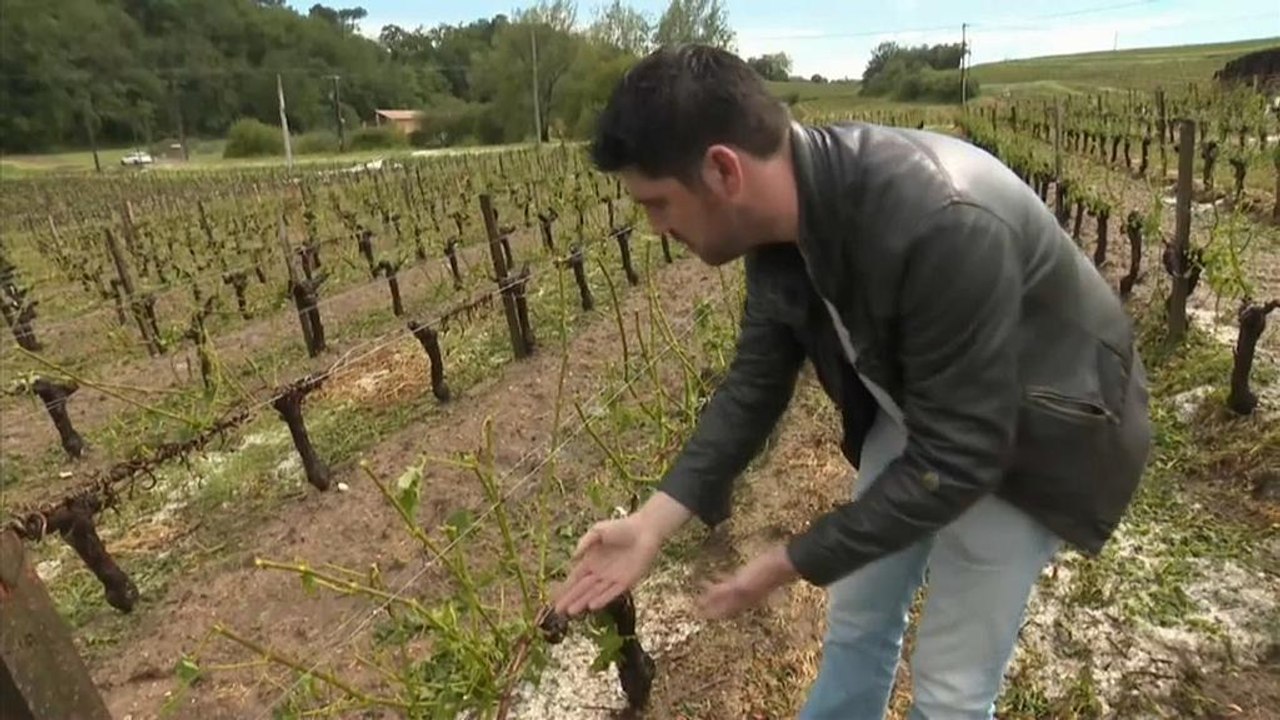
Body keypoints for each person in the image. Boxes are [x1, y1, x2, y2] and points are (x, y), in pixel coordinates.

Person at [551, 44, 1152, 719]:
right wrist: (651, 525)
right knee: (859, 617)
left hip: (1034, 433)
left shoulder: (939, 220)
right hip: (928, 407)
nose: (657, 229)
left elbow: (961, 457)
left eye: (658, 203)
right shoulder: (779, 224)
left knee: (951, 687)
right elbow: (755, 381)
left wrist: (788, 561)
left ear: (723, 170)